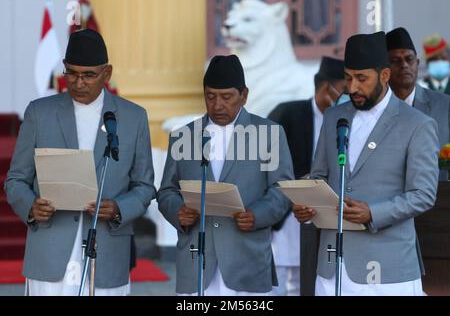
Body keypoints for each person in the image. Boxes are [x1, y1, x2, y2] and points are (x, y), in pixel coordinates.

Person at [4, 29, 156, 296]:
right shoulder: (40, 112)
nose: (78, 83)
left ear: (106, 73)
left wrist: (119, 208)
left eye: (89, 75)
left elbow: (144, 186)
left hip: (108, 253)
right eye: (71, 73)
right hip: (49, 251)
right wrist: (30, 207)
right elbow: (16, 179)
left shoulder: (134, 117)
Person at [293, 32, 439, 296]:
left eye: (362, 79)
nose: (353, 88)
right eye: (348, 78)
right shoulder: (334, 117)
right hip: (331, 266)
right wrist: (306, 202)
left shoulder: (416, 124)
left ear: (384, 76)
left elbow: (423, 194)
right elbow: (319, 175)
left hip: (388, 269)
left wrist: (374, 212)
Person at [157, 55, 294, 295]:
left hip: (247, 260)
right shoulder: (184, 136)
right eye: (210, 96)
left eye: (226, 97)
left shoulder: (269, 133)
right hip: (197, 261)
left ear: (244, 95)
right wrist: (178, 211)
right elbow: (167, 190)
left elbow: (282, 188)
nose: (217, 105)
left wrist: (257, 215)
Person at [268, 56, 346, 296]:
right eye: (344, 90)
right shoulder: (288, 113)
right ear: (326, 88)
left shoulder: (346, 120)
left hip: (325, 216)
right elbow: (264, 161)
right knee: (277, 281)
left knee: (312, 280)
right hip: (286, 215)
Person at [386, 27, 450, 181]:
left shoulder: (444, 106)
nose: (404, 65)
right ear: (384, 69)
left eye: (409, 59)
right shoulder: (374, 109)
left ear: (417, 63)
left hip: (438, 199)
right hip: (385, 201)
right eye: (395, 61)